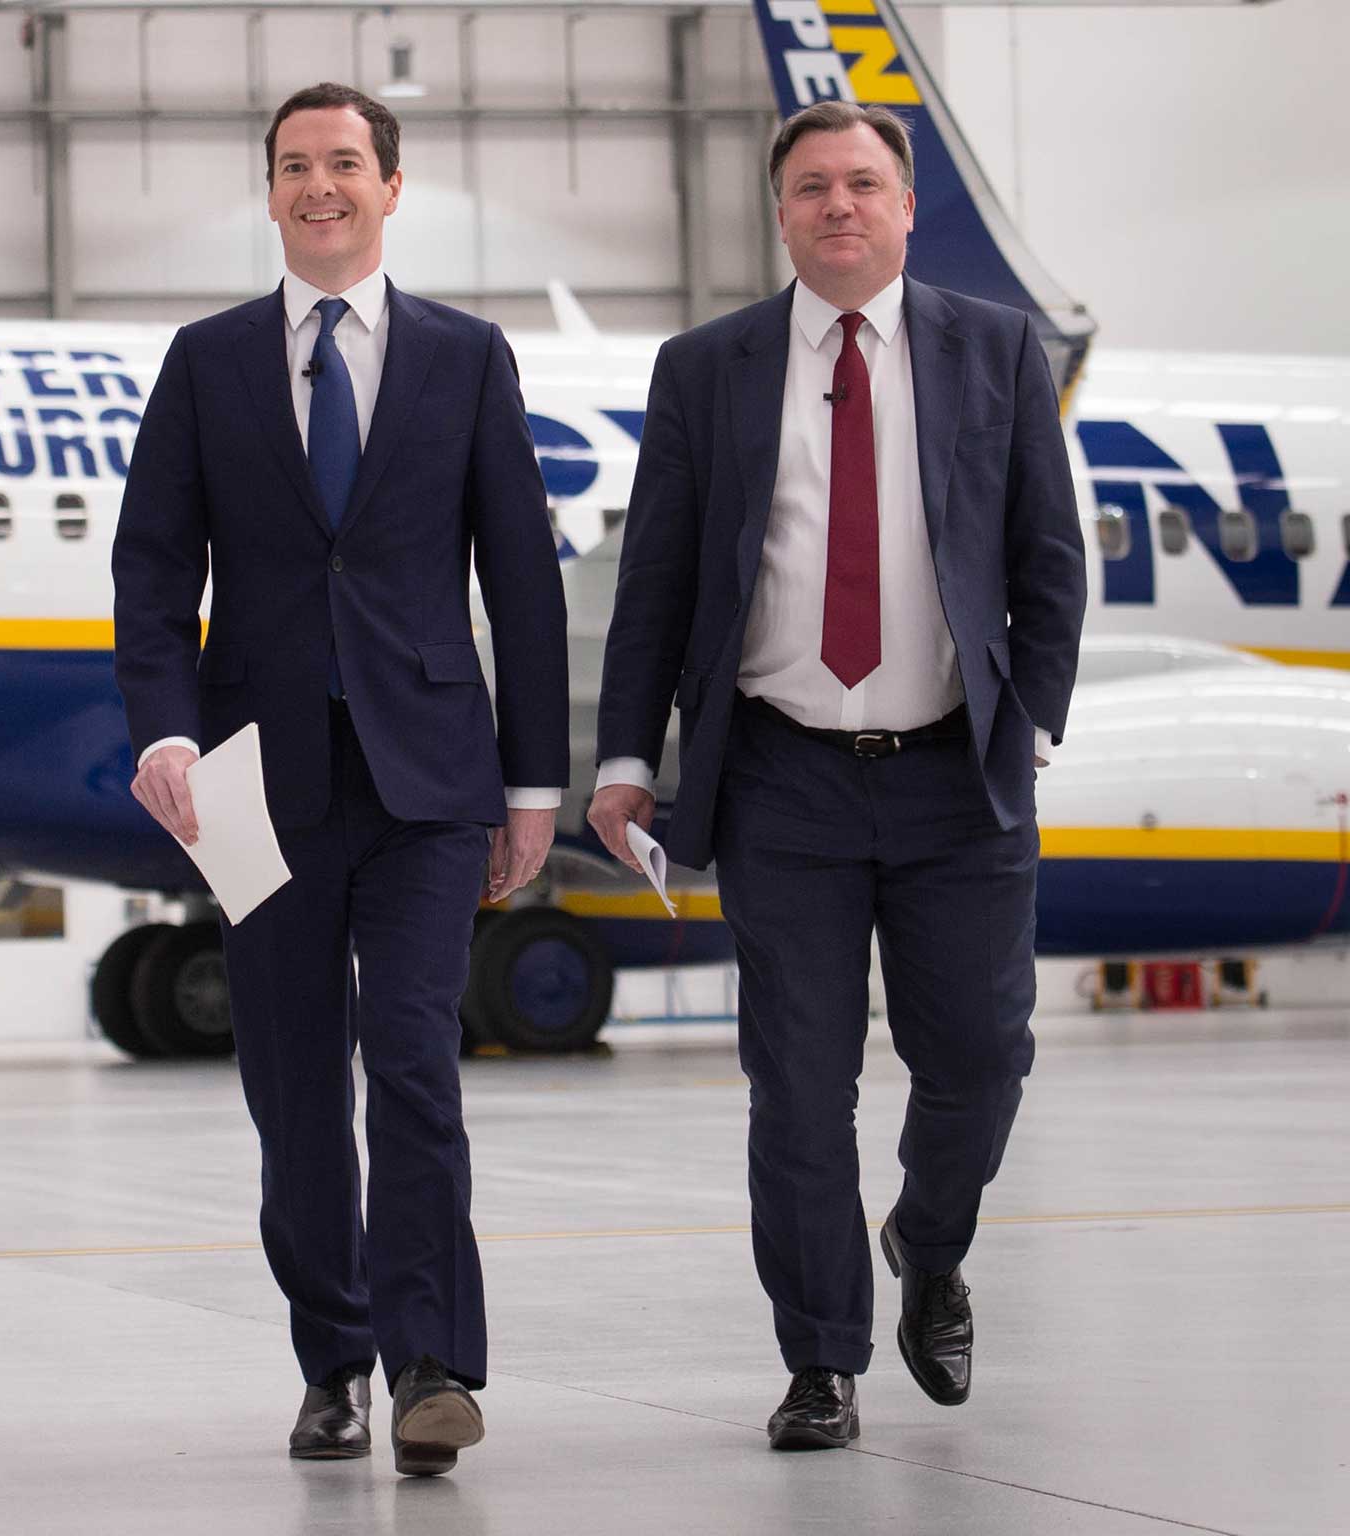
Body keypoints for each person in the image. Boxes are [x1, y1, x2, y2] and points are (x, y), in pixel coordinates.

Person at [587, 102, 1085, 1450]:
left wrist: (1026, 722)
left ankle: (928, 1245)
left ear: (906, 206)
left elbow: (1048, 558)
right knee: (797, 1084)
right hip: (783, 782)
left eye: (864, 183)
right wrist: (628, 758)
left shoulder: (996, 352)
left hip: (956, 777)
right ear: (783, 213)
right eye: (812, 188)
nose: (839, 206)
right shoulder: (709, 369)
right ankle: (821, 1360)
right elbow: (662, 583)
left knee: (980, 1057)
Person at [111, 83, 567, 1476]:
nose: (323, 186)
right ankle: (334, 1361)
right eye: (297, 166)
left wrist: (533, 782)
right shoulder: (205, 363)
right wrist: (164, 729)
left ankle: (433, 1364)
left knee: (417, 1064)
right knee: (294, 1084)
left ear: (391, 185)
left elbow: (523, 581)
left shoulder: (468, 357)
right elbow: (150, 568)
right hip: (257, 783)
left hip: (429, 776)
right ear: (270, 193)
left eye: (347, 164)